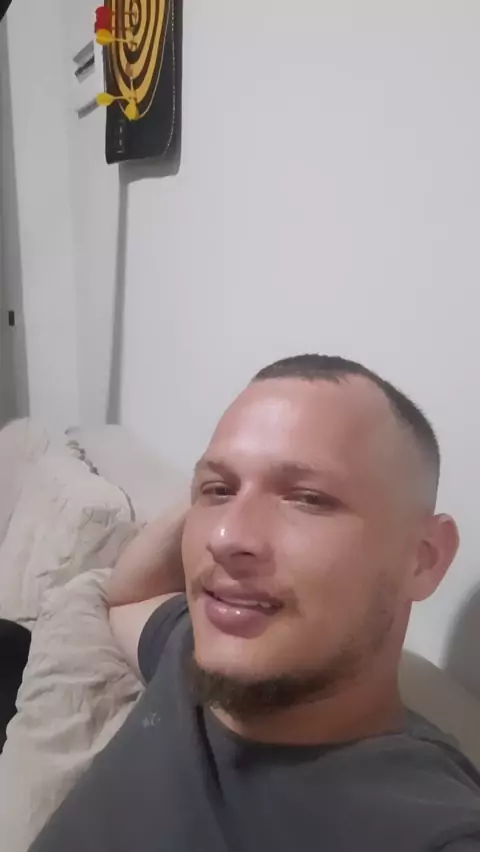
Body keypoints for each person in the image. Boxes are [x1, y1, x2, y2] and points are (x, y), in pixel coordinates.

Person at [30, 354, 480, 851]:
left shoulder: (431, 828)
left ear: (422, 559)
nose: (224, 537)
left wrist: (230, 483)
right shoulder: (198, 649)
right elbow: (128, 597)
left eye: (308, 498)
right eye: (218, 491)